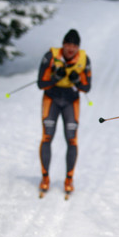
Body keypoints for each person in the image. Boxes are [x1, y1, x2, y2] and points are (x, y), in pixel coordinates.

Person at [36, 29, 92, 197]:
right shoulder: (50, 56)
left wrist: (76, 81)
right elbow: (40, 83)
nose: (71, 48)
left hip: (70, 101)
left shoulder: (84, 60)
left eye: (74, 45)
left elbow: (87, 87)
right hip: (51, 99)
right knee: (47, 137)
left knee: (71, 139)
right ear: (63, 44)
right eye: (68, 44)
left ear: (78, 47)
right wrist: (55, 78)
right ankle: (45, 178)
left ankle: (69, 179)